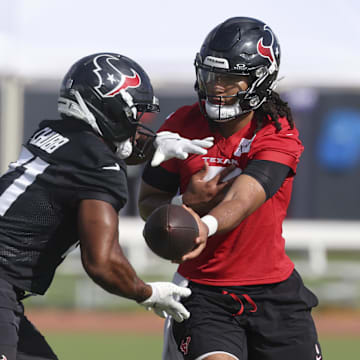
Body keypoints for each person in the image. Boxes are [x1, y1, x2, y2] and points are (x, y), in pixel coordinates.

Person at [0, 52, 215, 360]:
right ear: (109, 108)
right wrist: (147, 292)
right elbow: (102, 262)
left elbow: (107, 146)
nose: (137, 125)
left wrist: (154, 144)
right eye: (132, 115)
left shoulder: (53, 132)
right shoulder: (99, 167)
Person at [139, 17, 323, 360]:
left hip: (275, 293)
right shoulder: (181, 123)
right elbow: (149, 202)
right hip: (205, 294)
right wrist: (182, 204)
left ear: (259, 79)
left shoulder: (277, 129)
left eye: (229, 78)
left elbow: (245, 196)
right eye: (211, 76)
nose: (217, 87)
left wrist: (202, 225)